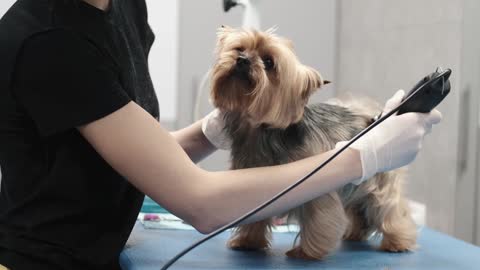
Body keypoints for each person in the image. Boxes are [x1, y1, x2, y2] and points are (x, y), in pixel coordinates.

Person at [0, 0, 442, 269]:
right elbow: (202, 204)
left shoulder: (123, 8)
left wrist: (208, 133)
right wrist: (361, 158)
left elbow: (126, 156)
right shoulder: (51, 38)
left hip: (103, 253)